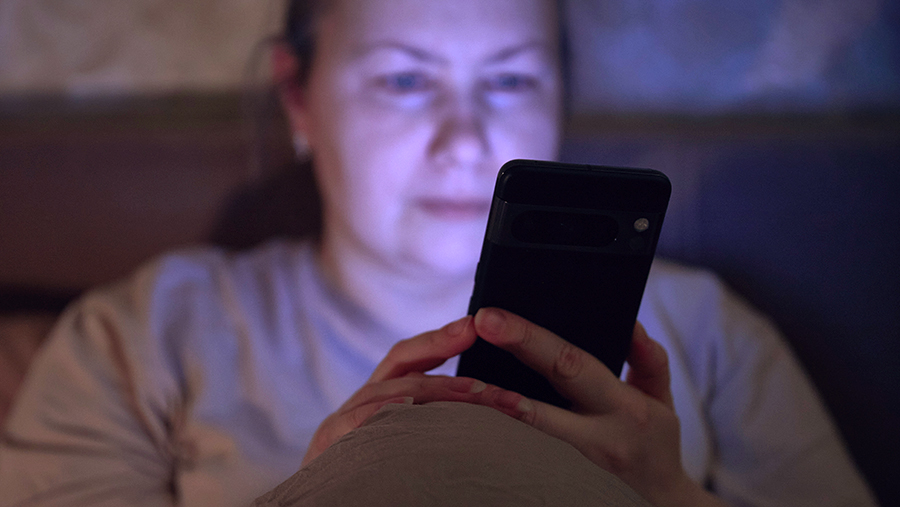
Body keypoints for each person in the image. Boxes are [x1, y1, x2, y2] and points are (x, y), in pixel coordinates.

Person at [0, 1, 877, 506]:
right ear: (299, 100)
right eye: (405, 79)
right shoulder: (145, 336)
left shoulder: (704, 333)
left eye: (511, 79)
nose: (466, 140)